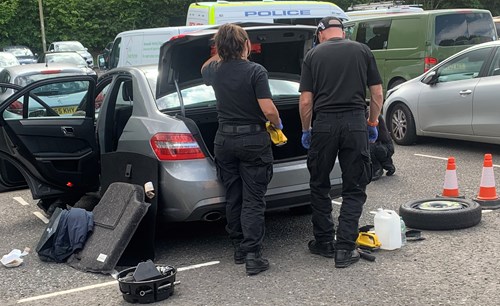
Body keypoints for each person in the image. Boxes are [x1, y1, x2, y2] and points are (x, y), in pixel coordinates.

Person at [299, 16, 384, 268]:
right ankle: (345, 249)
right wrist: (372, 122)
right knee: (354, 187)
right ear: (342, 32)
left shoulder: (313, 56)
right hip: (355, 123)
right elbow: (377, 93)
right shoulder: (362, 50)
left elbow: (305, 101)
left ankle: (324, 242)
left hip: (324, 124)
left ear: (321, 33)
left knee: (319, 183)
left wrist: (307, 129)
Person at [201, 23, 282, 276]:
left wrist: (223, 50)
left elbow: (203, 67)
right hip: (253, 141)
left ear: (219, 47)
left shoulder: (215, 70)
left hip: (224, 140)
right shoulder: (256, 71)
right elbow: (268, 109)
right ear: (246, 45)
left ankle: (238, 246)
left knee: (234, 194)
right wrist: (278, 124)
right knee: (253, 198)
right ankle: (252, 255)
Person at [370, 115, 395, 181]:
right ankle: (387, 164)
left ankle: (377, 168)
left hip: (384, 146)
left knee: (367, 147)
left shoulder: (371, 116)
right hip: (383, 146)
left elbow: (373, 136)